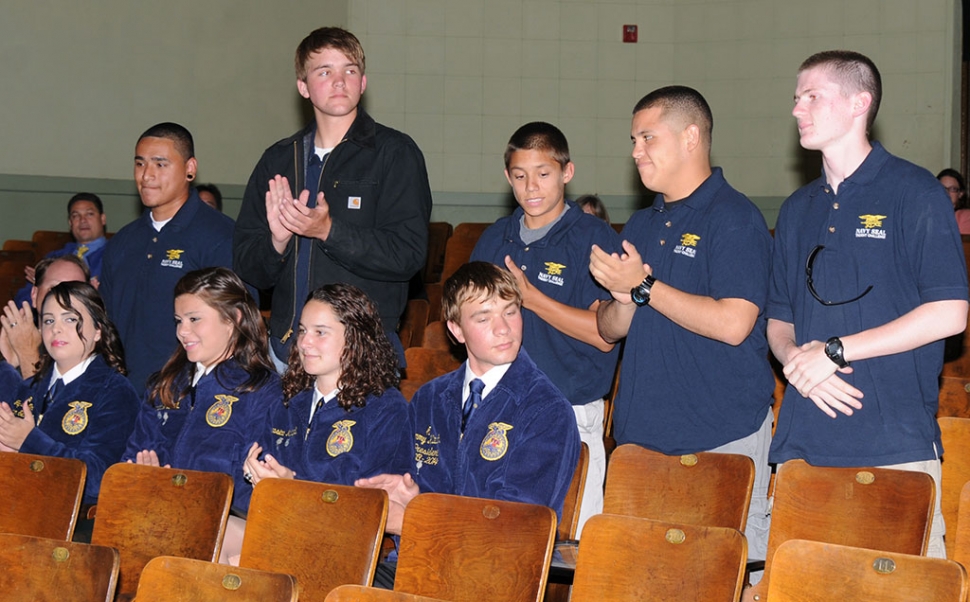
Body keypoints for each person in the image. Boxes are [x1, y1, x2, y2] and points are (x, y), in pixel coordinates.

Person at [766, 51, 968, 559]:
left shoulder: (916, 193)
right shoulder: (796, 208)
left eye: (812, 96)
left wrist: (833, 351)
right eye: (796, 98)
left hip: (893, 444)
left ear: (860, 102)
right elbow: (778, 318)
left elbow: (950, 313)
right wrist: (795, 358)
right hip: (804, 444)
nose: (797, 109)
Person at [589, 86, 775, 561]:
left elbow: (735, 324)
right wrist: (622, 300)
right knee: (642, 577)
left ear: (691, 137)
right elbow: (612, 329)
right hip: (642, 441)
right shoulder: (642, 224)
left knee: (716, 576)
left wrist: (645, 286)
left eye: (647, 138)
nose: (635, 152)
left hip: (718, 439)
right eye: (633, 140)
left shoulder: (735, 218)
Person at [357, 262, 580, 586]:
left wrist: (415, 521)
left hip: (494, 572)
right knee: (335, 575)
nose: (503, 328)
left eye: (510, 311)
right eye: (483, 317)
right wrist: (401, 498)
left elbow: (517, 524)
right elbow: (406, 489)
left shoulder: (545, 409)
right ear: (456, 330)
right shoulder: (429, 398)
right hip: (420, 559)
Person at [233, 27, 432, 370]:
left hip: (361, 357)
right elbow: (248, 268)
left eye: (349, 71)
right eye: (325, 72)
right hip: (287, 354)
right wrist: (277, 243)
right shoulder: (279, 159)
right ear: (303, 86)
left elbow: (408, 254)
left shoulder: (395, 154)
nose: (339, 81)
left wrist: (329, 230)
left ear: (363, 82)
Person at [470, 122, 620, 536]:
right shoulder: (494, 238)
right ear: (507, 178)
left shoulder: (593, 238)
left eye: (543, 173)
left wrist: (532, 298)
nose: (531, 186)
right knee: (499, 535)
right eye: (519, 176)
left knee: (573, 544)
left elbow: (604, 337)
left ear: (567, 173)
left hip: (569, 410)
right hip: (500, 410)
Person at [219, 283, 411, 564]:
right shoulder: (289, 399)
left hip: (340, 542)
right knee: (213, 536)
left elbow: (364, 505)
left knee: (245, 567)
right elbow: (250, 497)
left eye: (320, 332)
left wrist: (292, 489)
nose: (304, 342)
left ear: (355, 339)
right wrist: (255, 476)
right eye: (302, 331)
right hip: (283, 525)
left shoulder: (385, 407)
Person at [123, 268, 281, 512]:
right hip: (153, 512)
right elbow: (129, 464)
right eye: (178, 321)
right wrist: (143, 480)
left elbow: (256, 493)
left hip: (224, 522)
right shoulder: (165, 384)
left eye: (194, 319)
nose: (182, 331)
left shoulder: (260, 389)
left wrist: (183, 495)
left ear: (233, 319)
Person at [100, 122, 236, 389]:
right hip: (124, 392)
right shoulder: (123, 241)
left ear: (190, 169)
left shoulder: (220, 236)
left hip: (187, 395)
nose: (147, 175)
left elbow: (237, 327)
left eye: (160, 164)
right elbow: (106, 322)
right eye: (140, 164)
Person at [0, 282, 139, 507]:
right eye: (48, 320)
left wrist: (30, 441)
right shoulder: (31, 387)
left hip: (70, 524)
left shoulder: (115, 392)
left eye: (70, 319)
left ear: (97, 331)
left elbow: (97, 479)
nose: (56, 328)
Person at [1, 255, 90, 379]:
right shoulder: (15, 338)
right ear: (34, 295)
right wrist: (8, 367)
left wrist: (27, 355)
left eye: (74, 290)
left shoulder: (91, 353)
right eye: (54, 289)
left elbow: (51, 398)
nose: (63, 298)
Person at [14, 193, 108, 306]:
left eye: (89, 214)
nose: (83, 220)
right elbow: (22, 302)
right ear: (70, 223)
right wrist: (41, 287)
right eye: (75, 216)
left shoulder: (116, 255)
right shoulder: (54, 257)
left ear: (102, 219)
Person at [939, 169, 970, 234]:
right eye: (942, 188)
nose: (946, 193)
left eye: (952, 189)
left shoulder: (965, 216)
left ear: (960, 193)